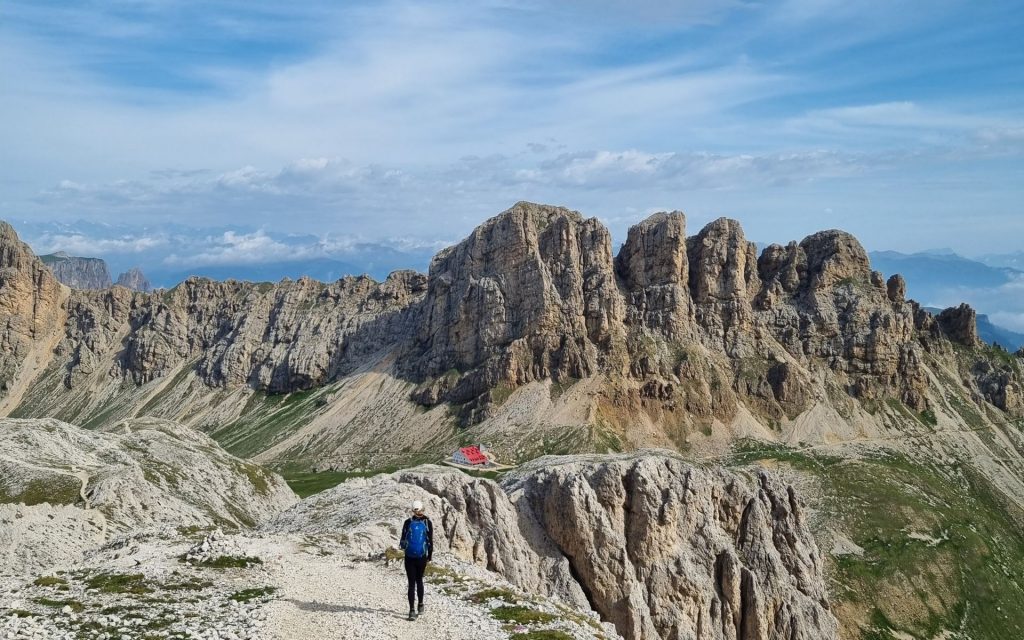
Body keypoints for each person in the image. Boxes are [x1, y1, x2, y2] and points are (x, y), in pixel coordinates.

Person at [398, 499, 433, 621]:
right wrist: (429, 556)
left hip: (409, 557)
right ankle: (421, 605)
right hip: (421, 557)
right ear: (422, 509)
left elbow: (402, 541)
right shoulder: (427, 522)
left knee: (411, 583)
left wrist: (405, 548)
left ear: (413, 510)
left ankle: (411, 611)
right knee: (420, 580)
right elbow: (430, 541)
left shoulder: (407, 522)